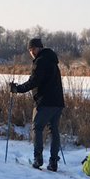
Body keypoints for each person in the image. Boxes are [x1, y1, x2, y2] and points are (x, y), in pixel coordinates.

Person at [9, 37, 65, 171]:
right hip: (58, 102)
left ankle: (38, 159)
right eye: (30, 50)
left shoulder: (40, 62)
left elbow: (34, 81)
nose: (32, 52)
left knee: (37, 128)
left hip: (45, 102)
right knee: (54, 131)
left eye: (33, 49)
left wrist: (18, 89)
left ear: (39, 48)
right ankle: (53, 162)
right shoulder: (52, 60)